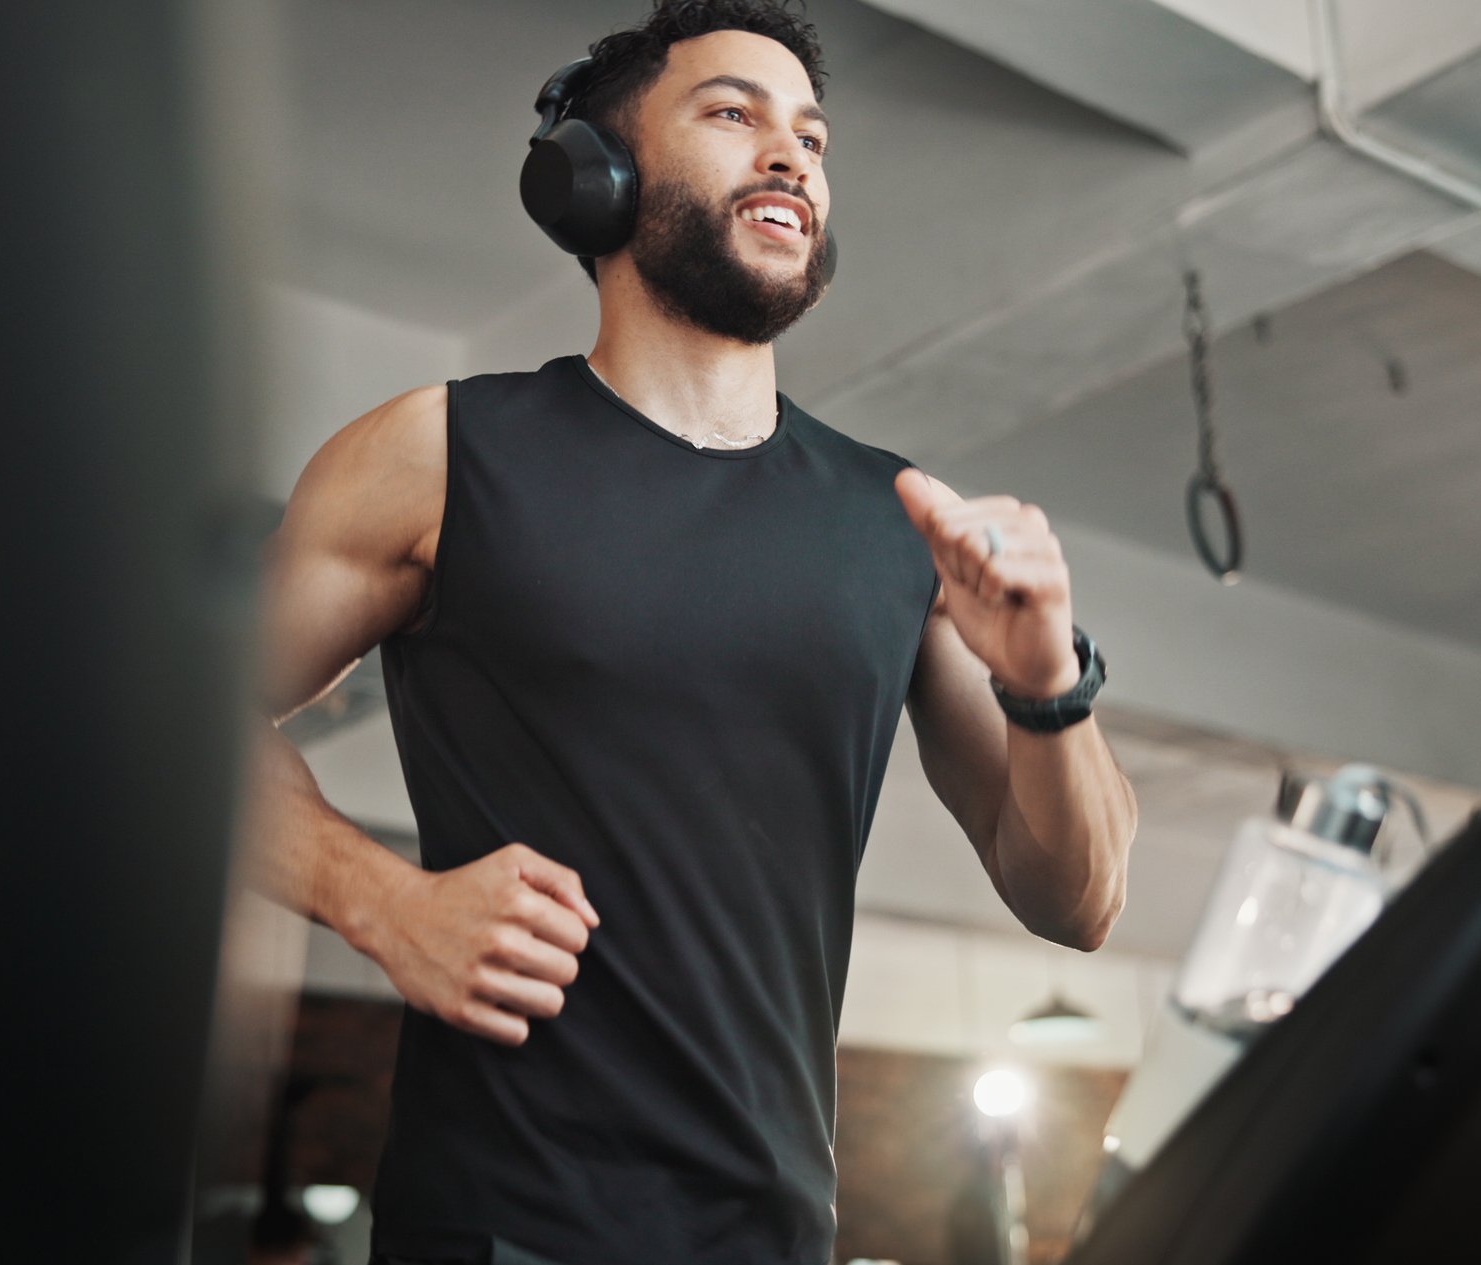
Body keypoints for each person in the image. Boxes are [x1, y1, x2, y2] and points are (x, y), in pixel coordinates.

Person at [248, 4, 1137, 1262]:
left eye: (812, 139)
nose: (792, 156)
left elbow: (1081, 899)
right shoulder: (441, 454)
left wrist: (1050, 684)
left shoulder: (898, 523)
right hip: (501, 1228)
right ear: (594, 178)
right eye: (735, 114)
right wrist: (380, 900)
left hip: (773, 1236)